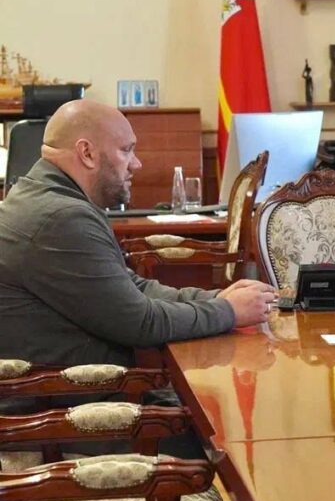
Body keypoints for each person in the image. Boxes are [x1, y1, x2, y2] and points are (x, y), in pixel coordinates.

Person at [0, 99, 276, 371]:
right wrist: (229, 311)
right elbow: (141, 323)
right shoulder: (62, 218)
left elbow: (129, 287)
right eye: (126, 150)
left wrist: (215, 299)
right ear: (87, 153)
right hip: (75, 395)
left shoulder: (38, 195)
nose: (137, 164)